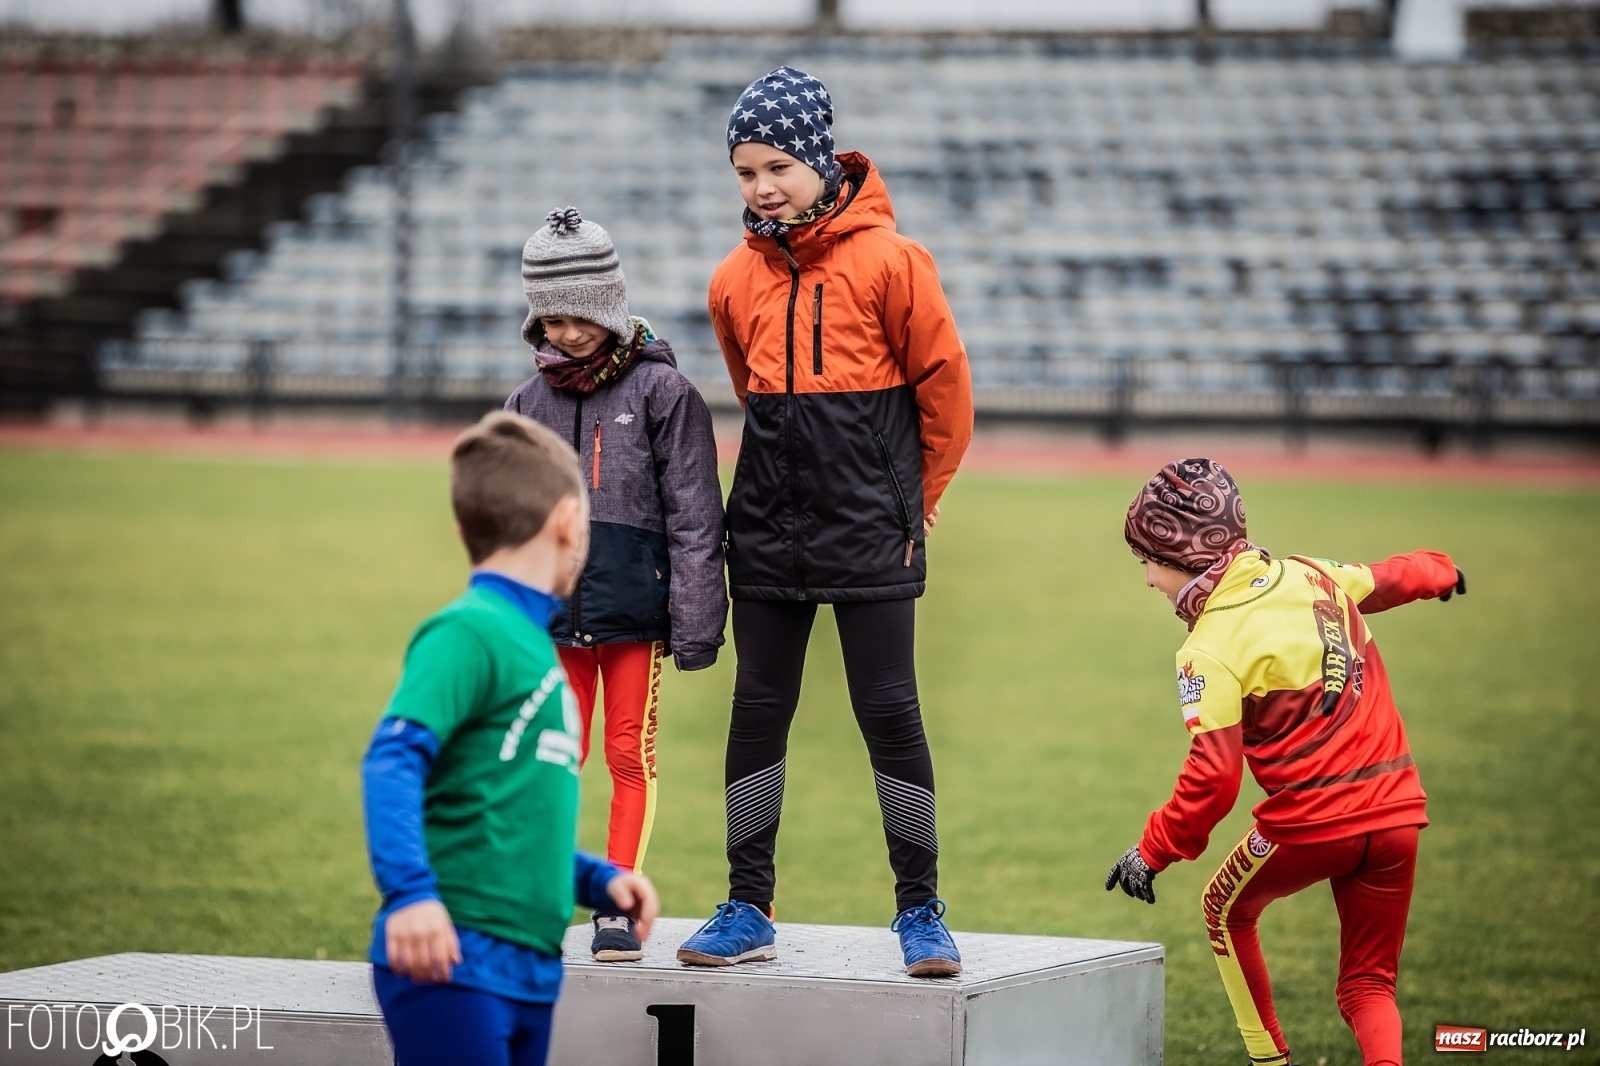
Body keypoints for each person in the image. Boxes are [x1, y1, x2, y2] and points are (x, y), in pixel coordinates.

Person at [675, 66, 974, 978]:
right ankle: (747, 905)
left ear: (819, 159)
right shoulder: (733, 279)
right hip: (766, 528)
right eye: (745, 172)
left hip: (874, 528)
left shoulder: (895, 263)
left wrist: (918, 500)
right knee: (757, 710)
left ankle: (920, 909)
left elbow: (947, 395)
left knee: (889, 711)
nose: (762, 187)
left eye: (778, 167)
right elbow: (751, 392)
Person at [1104, 457, 1467, 1066]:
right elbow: (1388, 579)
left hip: (1312, 825)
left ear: (1186, 556)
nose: (1147, 579)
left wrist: (1152, 851)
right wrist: (1442, 570)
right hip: (1399, 813)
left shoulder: (1206, 650)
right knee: (1368, 987)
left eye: (1149, 561)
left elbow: (1214, 781)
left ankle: (1269, 1061)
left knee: (1224, 911)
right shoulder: (1310, 576)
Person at [361, 412, 660, 1066]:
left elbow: (509, 818)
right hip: (455, 956)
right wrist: (410, 895)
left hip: (528, 969)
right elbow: (391, 761)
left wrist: (597, 881)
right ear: (568, 523)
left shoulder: (532, 644)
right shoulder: (469, 631)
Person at [505, 206, 727, 962]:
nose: (567, 332)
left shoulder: (666, 393)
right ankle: (539, 894)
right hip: (552, 619)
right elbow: (509, 524)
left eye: (580, 315)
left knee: (628, 754)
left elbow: (696, 516)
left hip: (635, 616)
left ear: (610, 304)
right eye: (551, 318)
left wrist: (695, 623)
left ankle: (615, 902)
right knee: (552, 754)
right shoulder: (525, 404)